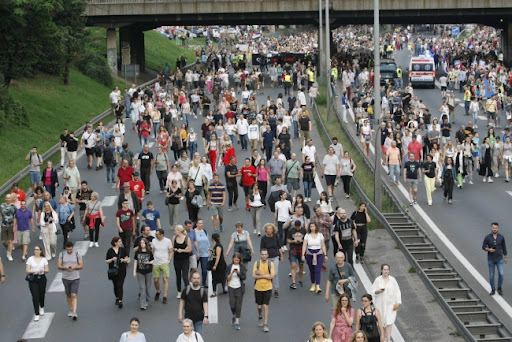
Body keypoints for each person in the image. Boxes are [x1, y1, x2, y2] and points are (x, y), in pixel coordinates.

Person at [372, 264, 401, 342]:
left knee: (389, 321)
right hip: (380, 304)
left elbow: (397, 291)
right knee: (381, 321)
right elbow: (372, 291)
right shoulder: (378, 280)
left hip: (390, 304)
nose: (386, 271)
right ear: (381, 270)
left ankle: (388, 338)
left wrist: (398, 302)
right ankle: (383, 337)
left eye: (387, 269)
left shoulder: (393, 280)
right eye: (384, 269)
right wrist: (378, 291)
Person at [57, 241, 83, 320]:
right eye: (68, 249)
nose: (69, 251)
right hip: (65, 277)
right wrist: (66, 267)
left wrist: (74, 267)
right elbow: (59, 266)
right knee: (68, 295)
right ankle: (71, 309)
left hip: (75, 277)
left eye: (70, 249)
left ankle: (74, 312)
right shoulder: (62, 254)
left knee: (74, 295)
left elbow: (81, 265)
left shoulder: (77, 254)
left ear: (73, 248)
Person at [253, 248, 275, 333]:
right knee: (259, 306)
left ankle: (265, 324)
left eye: (265, 254)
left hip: (268, 287)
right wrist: (266, 276)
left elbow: (272, 276)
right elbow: (254, 276)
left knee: (265, 306)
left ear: (268, 255)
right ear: (260, 255)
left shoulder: (270, 264)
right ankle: (260, 316)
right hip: (258, 287)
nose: (264, 256)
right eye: (262, 254)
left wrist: (261, 274)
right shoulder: (257, 263)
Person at [482, 222, 508, 295]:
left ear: (498, 228)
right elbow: (483, 247)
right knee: (491, 275)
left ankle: (499, 288)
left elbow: (504, 247)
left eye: (496, 228)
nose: (495, 229)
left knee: (501, 273)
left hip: (500, 258)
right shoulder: (487, 237)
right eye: (493, 228)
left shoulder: (501, 237)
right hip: (491, 259)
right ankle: (493, 289)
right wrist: (489, 249)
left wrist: (505, 256)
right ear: (491, 228)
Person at [302, 222, 328, 293]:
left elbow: (323, 245)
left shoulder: (320, 235)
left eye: (313, 226)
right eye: (311, 227)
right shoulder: (307, 235)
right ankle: (313, 284)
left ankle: (318, 286)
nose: (312, 228)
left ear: (316, 227)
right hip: (309, 253)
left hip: (319, 254)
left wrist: (325, 255)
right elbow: (304, 245)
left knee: (317, 270)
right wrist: (303, 255)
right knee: (312, 270)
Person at [26, 245, 49, 322]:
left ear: (40, 251)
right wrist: (34, 271)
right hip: (33, 279)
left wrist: (42, 270)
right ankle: (36, 313)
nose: (36, 251)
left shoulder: (44, 259)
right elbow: (27, 270)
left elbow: (47, 270)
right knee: (35, 296)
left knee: (41, 294)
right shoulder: (30, 259)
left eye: (37, 249)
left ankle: (41, 306)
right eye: (35, 249)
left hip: (42, 278)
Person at [106, 236, 130, 309]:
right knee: (115, 285)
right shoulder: (110, 251)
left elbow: (128, 259)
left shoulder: (122, 250)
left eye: (120, 241)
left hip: (122, 269)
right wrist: (111, 259)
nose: (121, 243)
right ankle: (117, 296)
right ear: (115, 243)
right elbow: (106, 261)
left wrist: (123, 260)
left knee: (120, 284)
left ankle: (120, 300)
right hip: (113, 270)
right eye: (119, 242)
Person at [226, 252, 247, 330]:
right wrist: (231, 273)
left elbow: (244, 277)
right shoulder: (229, 267)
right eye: (235, 260)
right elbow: (227, 278)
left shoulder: (242, 267)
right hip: (231, 287)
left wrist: (238, 273)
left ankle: (237, 321)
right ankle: (234, 315)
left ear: (240, 260)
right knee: (232, 304)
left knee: (238, 305)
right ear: (232, 259)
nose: (236, 262)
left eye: (237, 260)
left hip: (239, 287)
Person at [152, 229, 173, 304]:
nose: (156, 235)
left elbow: (171, 251)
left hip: (164, 262)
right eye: (156, 234)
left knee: (165, 279)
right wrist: (153, 258)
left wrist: (169, 260)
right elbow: (153, 250)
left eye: (157, 234)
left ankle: (165, 296)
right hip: (156, 263)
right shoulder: (154, 241)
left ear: (162, 235)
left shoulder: (168, 241)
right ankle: (158, 291)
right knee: (156, 280)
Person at [133, 237, 153, 310]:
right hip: (140, 271)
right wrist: (134, 271)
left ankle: (147, 299)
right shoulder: (138, 252)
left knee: (147, 287)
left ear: (146, 243)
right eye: (141, 243)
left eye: (143, 243)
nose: (142, 244)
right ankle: (143, 303)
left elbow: (154, 260)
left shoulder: (149, 251)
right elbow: (135, 261)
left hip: (148, 271)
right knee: (142, 288)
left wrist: (149, 262)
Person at [173, 225, 192, 299]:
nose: (175, 232)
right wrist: (175, 250)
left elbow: (190, 249)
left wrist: (182, 250)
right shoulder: (174, 238)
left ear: (179, 231)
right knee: (178, 276)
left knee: (185, 276)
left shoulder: (187, 238)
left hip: (185, 260)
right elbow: (172, 248)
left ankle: (188, 291)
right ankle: (179, 292)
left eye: (176, 230)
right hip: (176, 260)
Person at [287, 220, 307, 289]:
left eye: (299, 227)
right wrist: (293, 241)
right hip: (293, 248)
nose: (298, 228)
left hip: (301, 249)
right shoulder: (291, 230)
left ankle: (300, 280)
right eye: (296, 227)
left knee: (301, 265)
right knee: (293, 265)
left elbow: (306, 239)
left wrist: (302, 240)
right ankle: (293, 282)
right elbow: (288, 240)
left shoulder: (304, 230)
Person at [210, 233, 227, 297]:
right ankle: (224, 289)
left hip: (219, 264)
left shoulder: (218, 246)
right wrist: (212, 250)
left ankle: (214, 292)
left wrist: (215, 265)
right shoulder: (217, 245)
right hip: (221, 264)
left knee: (215, 277)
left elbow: (218, 256)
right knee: (222, 277)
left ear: (212, 239)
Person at [1, 194, 17, 261]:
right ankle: (8, 248)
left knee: (10, 240)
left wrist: (14, 226)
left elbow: (15, 217)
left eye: (9, 198)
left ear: (11, 199)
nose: (8, 199)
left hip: (11, 225)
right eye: (7, 198)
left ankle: (9, 254)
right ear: (5, 199)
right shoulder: (2, 206)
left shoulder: (14, 207)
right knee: (3, 241)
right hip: (4, 225)